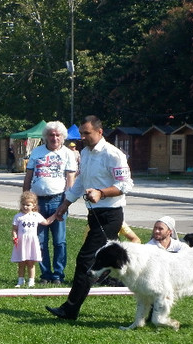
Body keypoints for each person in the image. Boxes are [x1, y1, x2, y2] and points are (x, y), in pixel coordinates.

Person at [46, 115, 134, 321]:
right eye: (82, 134)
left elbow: (126, 185)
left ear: (99, 132)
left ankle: (70, 309)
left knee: (85, 260)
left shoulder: (114, 154)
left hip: (111, 216)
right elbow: (80, 182)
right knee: (119, 263)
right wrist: (64, 204)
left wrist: (101, 193)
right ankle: (150, 298)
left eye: (87, 133)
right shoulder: (85, 153)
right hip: (94, 214)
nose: (83, 137)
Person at [23, 120, 77, 285]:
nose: (54, 138)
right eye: (51, 135)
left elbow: (70, 180)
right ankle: (45, 274)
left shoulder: (68, 154)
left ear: (63, 137)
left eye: (57, 135)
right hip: (37, 202)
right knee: (39, 241)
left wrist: (66, 202)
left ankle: (58, 275)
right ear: (46, 137)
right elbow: (28, 176)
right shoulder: (37, 152)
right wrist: (26, 199)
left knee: (59, 241)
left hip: (58, 201)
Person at [11, 191, 57, 288]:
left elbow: (46, 222)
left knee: (31, 263)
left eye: (28, 205)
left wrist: (56, 214)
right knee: (21, 263)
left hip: (32, 242)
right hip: (22, 242)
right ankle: (20, 280)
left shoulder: (36, 215)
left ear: (34, 205)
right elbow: (14, 229)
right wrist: (14, 237)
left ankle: (31, 281)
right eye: (23, 204)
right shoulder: (18, 216)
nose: (25, 207)